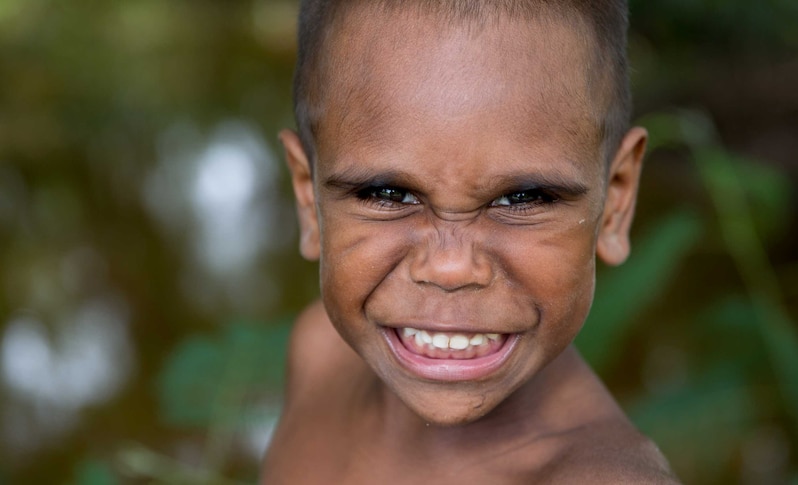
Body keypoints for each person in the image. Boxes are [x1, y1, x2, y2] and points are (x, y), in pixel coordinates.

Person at [263, 0, 678, 482]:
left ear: (615, 203)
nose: (450, 267)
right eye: (387, 193)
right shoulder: (319, 354)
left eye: (522, 198)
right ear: (308, 199)